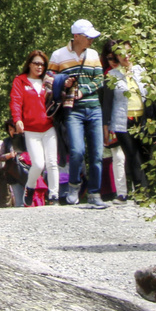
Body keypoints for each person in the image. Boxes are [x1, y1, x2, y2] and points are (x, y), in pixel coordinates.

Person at [49, 19, 108, 208]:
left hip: (94, 109)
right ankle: (74, 185)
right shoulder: (58, 55)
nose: (92, 39)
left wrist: (84, 90)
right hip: (72, 110)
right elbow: (48, 81)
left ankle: (94, 193)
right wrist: (63, 82)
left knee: (97, 153)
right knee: (76, 151)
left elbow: (100, 79)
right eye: (88, 36)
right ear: (77, 36)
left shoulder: (93, 54)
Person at [8, 49, 60, 204]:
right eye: (36, 63)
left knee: (52, 162)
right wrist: (17, 120)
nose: (39, 67)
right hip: (30, 129)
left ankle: (54, 195)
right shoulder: (20, 81)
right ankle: (30, 187)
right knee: (38, 164)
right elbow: (16, 101)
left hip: (49, 127)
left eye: (43, 64)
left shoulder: (48, 81)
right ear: (29, 64)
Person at [104, 42, 148, 201]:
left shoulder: (142, 72)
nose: (126, 56)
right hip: (122, 122)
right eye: (122, 54)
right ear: (117, 57)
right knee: (132, 156)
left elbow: (150, 96)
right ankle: (141, 193)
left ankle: (147, 190)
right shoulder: (112, 76)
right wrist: (106, 128)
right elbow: (107, 104)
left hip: (142, 120)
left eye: (128, 52)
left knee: (145, 155)